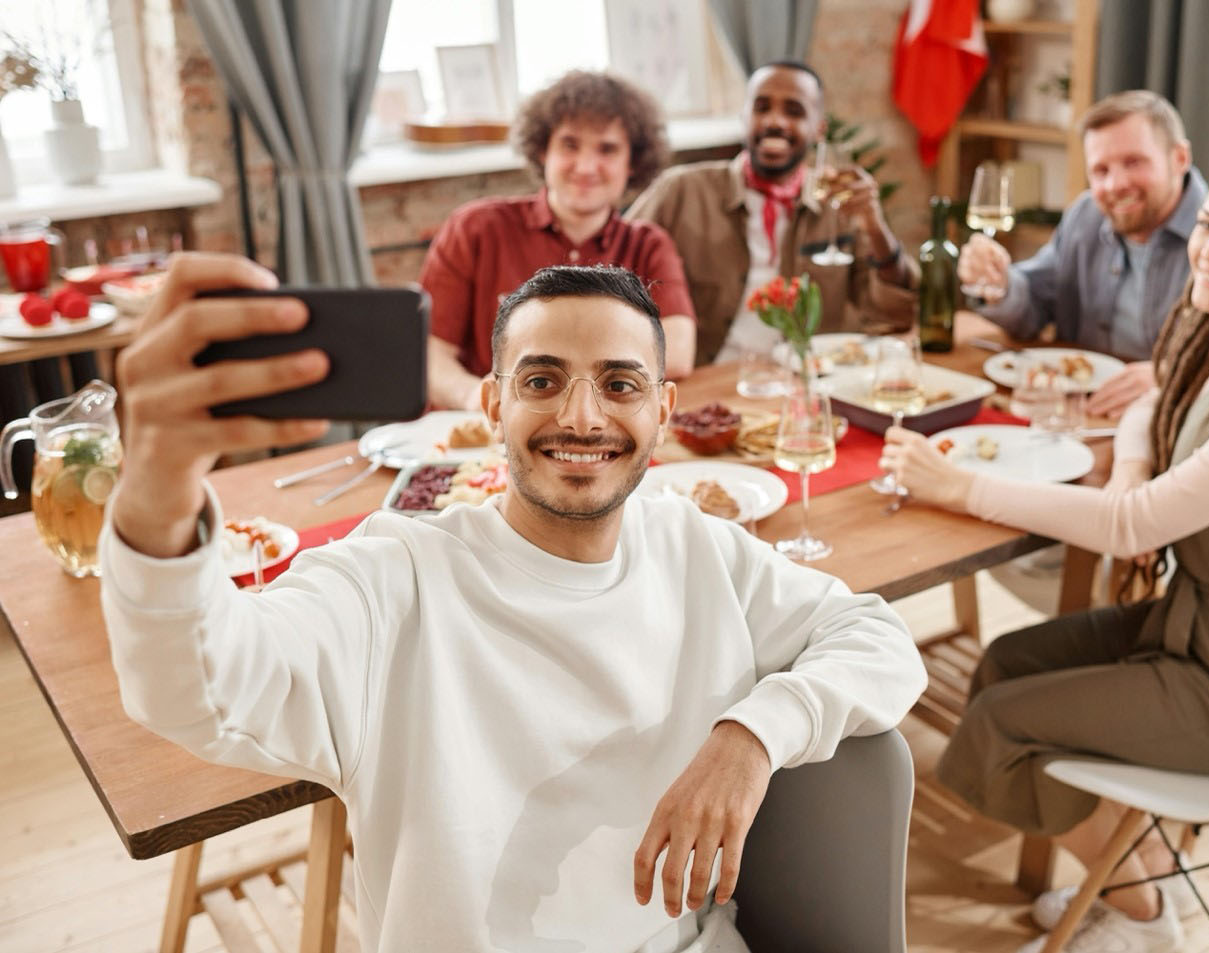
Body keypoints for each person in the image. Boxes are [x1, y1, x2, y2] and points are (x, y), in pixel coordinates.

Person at [100, 258, 926, 953]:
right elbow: (202, 689)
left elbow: (880, 639)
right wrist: (158, 491)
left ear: (662, 412)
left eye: (619, 383)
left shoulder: (698, 545)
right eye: (542, 380)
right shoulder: (398, 579)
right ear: (492, 405)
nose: (581, 415)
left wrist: (752, 734)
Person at [882, 120, 1209, 953]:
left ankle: (1138, 907)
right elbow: (1151, 402)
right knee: (1000, 667)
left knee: (1001, 723)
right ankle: (1129, 873)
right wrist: (1137, 470)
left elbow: (1130, 527)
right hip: (1205, 625)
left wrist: (962, 486)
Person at [421, 70, 698, 409]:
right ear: (542, 150)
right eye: (570, 145)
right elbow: (429, 355)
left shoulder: (649, 244)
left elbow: (679, 354)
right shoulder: (475, 228)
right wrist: (484, 402)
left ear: (632, 163)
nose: (585, 166)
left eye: (607, 149)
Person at [626, 60, 917, 367]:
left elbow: (893, 319)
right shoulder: (681, 191)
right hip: (706, 382)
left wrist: (875, 226)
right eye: (762, 107)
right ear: (744, 117)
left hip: (805, 385)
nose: (775, 121)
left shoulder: (838, 205)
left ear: (819, 128)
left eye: (794, 111)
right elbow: (610, 269)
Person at [958, 90, 1207, 418]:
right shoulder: (1086, 215)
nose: (1116, 184)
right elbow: (1033, 303)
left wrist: (1171, 375)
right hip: (1073, 414)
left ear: (1179, 158)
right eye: (1101, 170)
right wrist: (999, 285)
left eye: (1134, 162)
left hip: (1169, 421)